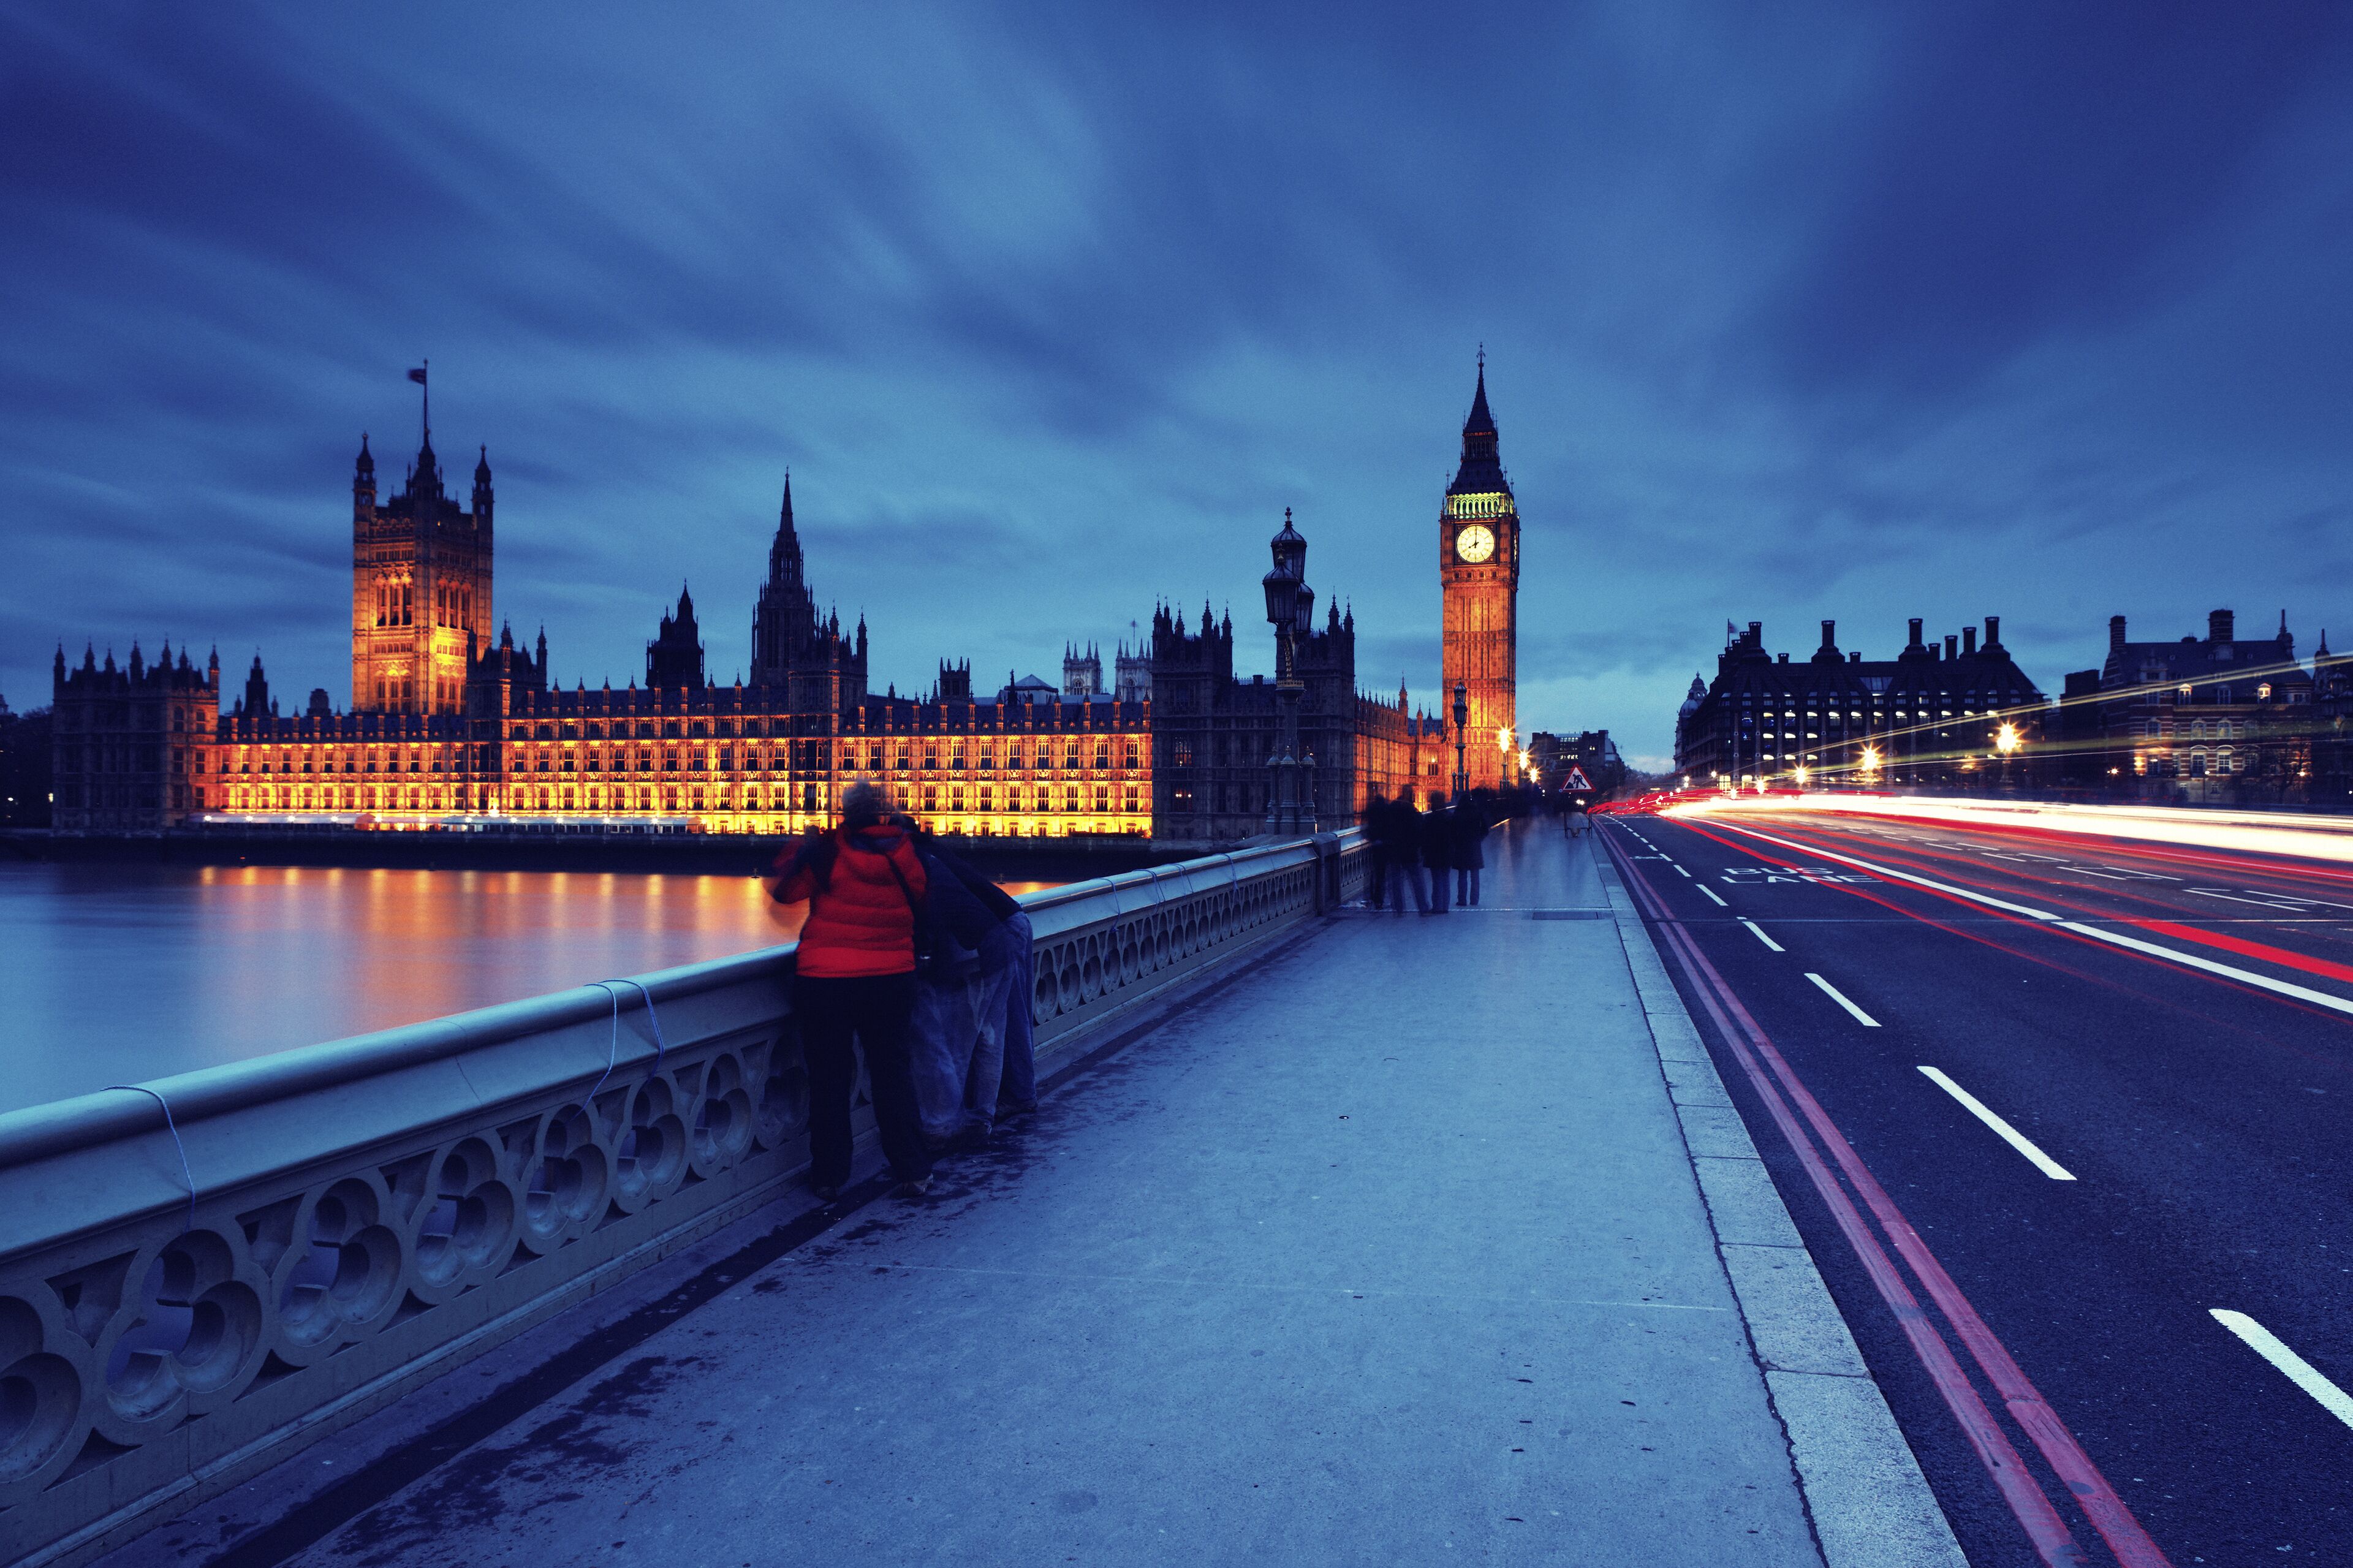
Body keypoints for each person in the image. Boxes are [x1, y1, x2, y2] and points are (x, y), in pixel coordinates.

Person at [766, 779, 934, 1200]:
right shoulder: (909, 852)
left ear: (847, 812)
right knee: (893, 1074)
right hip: (892, 978)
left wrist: (800, 846)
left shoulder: (827, 851)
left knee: (829, 1080)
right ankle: (913, 1169)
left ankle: (830, 1176)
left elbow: (784, 894)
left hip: (827, 982)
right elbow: (924, 900)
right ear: (885, 811)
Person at [1450, 791, 1490, 907]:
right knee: (1475, 875)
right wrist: (1479, 838)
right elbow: (1485, 829)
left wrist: (1456, 841)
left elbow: (1452, 829)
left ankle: (1462, 900)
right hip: (1474, 846)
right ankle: (1474, 900)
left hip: (1461, 846)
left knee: (1462, 875)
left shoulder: (1457, 812)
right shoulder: (1476, 811)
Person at [1419, 793, 1453, 914]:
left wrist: (1424, 851)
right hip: (1447, 852)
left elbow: (1424, 837)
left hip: (1433, 853)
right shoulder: (1449, 817)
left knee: (1437, 880)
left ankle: (1437, 906)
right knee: (1445, 879)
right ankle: (1445, 907)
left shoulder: (1429, 818)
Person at [1364, 790, 1390, 910]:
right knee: (1382, 874)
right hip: (1385, 844)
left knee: (1373, 872)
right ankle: (1380, 900)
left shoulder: (1371, 809)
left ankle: (1371, 897)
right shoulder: (1386, 809)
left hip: (1373, 844)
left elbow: (1366, 825)